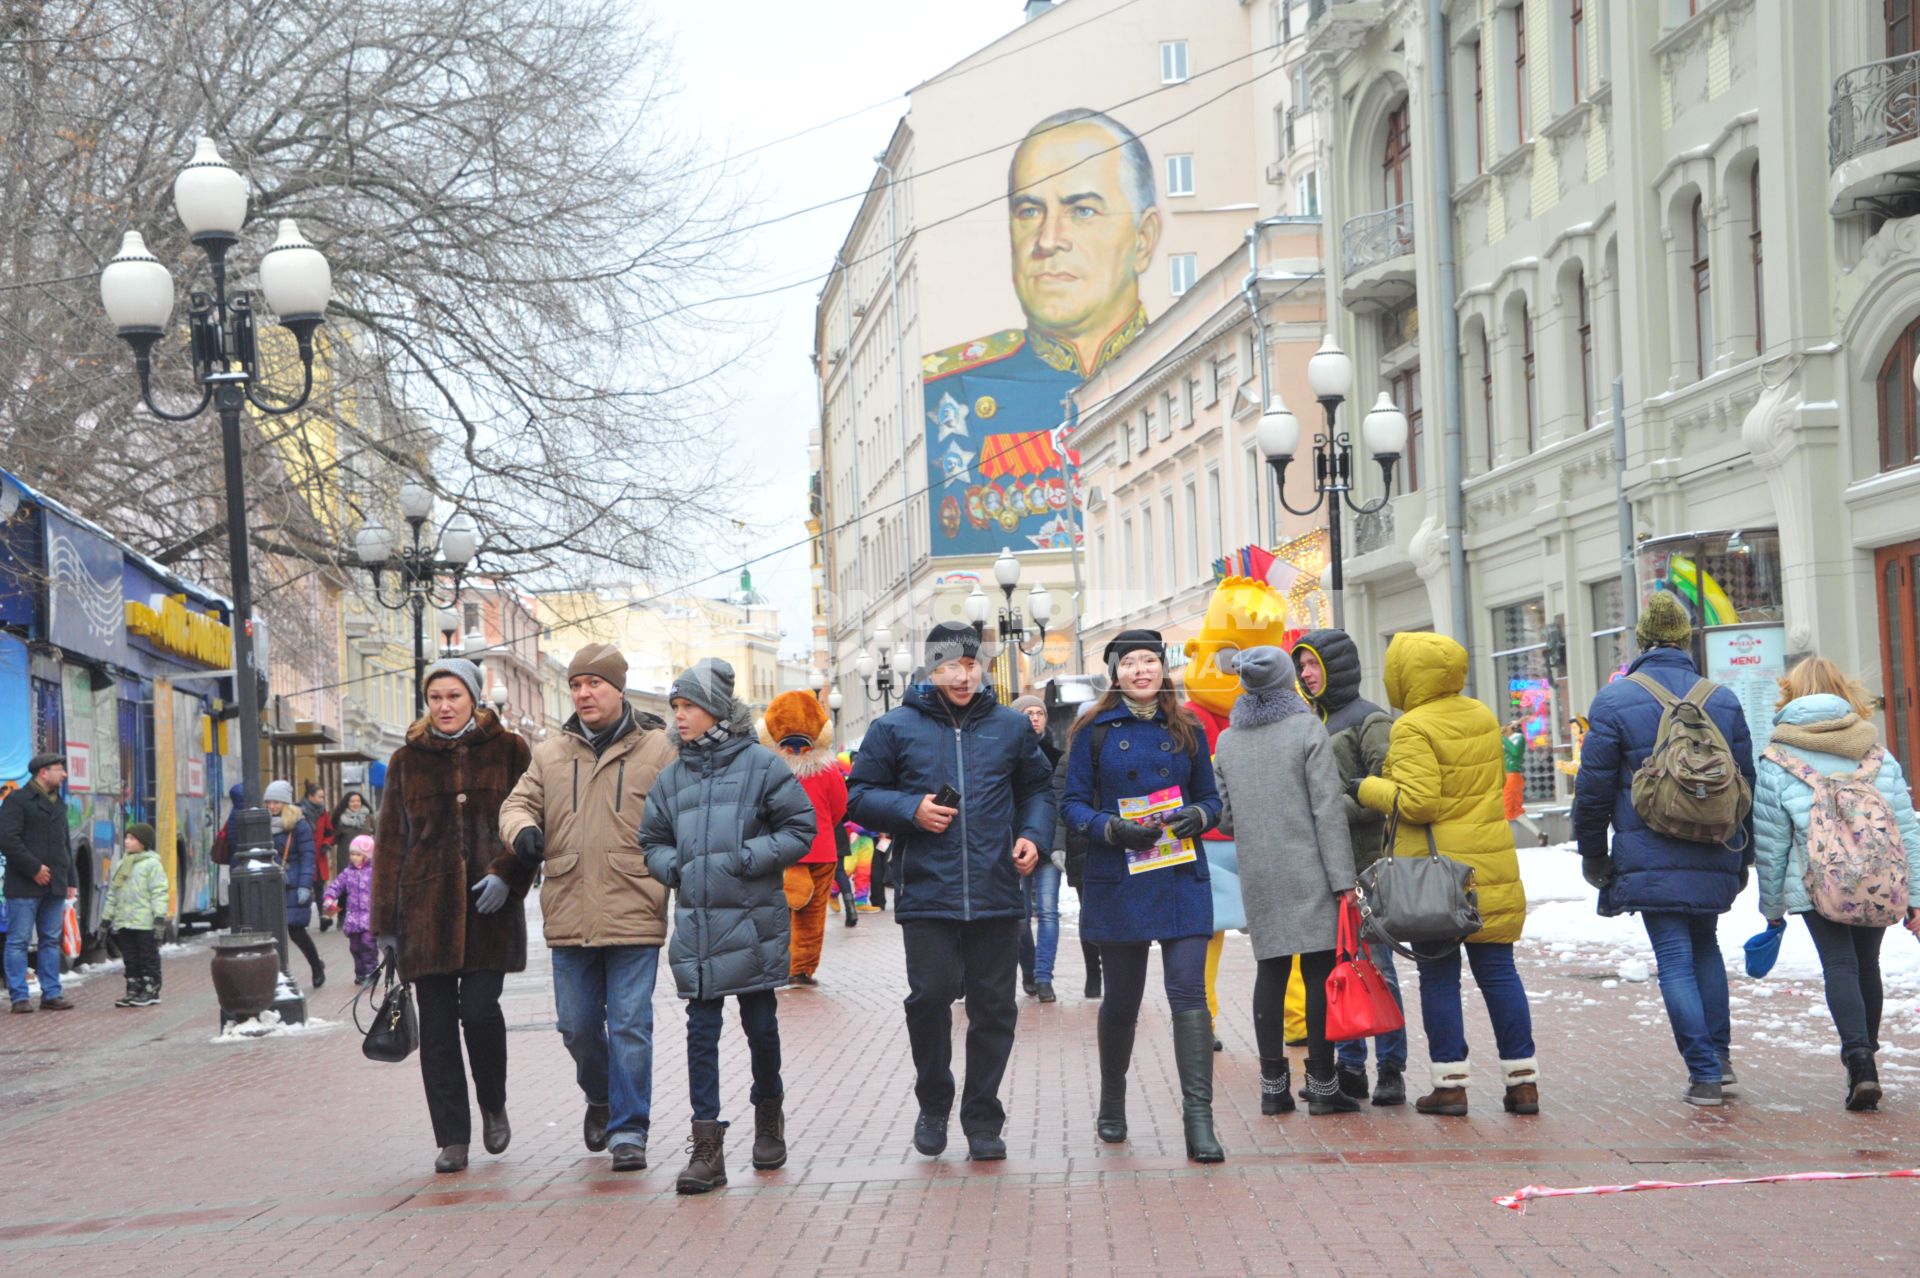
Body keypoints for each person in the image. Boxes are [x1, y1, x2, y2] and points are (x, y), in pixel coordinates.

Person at [847, 622, 1055, 1162]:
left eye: (970, 665)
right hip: (927, 891)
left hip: (995, 888)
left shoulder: (1010, 727)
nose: (962, 676)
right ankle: (934, 1101)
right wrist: (909, 809)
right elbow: (860, 796)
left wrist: (1033, 835)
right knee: (931, 998)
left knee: (994, 1007)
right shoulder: (894, 727)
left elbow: (1037, 789)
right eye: (949, 667)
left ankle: (983, 1117)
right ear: (931, 669)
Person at [924, 108, 1159, 558]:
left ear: (1143, 239)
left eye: (1082, 210)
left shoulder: (1187, 362)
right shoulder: (946, 390)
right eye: (1029, 211)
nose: (1048, 239)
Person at [499, 643, 677, 1173]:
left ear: (618, 689)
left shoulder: (660, 750)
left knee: (629, 1025)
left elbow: (684, 811)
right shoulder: (552, 753)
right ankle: (600, 1096)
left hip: (634, 905)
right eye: (576, 685)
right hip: (569, 906)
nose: (583, 693)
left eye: (594, 684)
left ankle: (629, 1130)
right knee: (575, 1025)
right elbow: (516, 805)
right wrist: (523, 833)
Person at [1574, 591, 1755, 1107]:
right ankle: (1718, 1059)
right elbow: (1748, 782)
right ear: (1684, 640)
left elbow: (1593, 786)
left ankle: (1702, 1074)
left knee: (1674, 955)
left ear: (1643, 640)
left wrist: (1593, 853)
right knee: (1705, 946)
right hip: (1715, 842)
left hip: (1647, 846)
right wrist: (1743, 856)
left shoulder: (1614, 700)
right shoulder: (1721, 698)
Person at [642, 659, 815, 1194]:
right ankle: (707, 1150)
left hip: (753, 922)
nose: (680, 716)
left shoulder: (763, 766)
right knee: (701, 1034)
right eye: (675, 707)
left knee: (761, 1026)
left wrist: (745, 857)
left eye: (688, 705)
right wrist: (676, 867)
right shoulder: (672, 776)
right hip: (697, 926)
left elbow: (800, 827)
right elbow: (652, 840)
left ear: (716, 709)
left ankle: (769, 1116)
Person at [1355, 632, 1536, 1117]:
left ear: (1405, 676)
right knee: (1499, 972)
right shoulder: (1481, 714)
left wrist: (1369, 787)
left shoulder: (1412, 727)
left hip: (1440, 877)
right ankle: (1523, 1084)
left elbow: (1419, 802)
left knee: (1439, 975)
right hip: (1490, 864)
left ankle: (1450, 1085)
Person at [1060, 630, 1225, 1161]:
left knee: (1188, 995)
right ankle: (1113, 1099)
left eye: (1149, 660)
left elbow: (1211, 799)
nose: (1140, 670)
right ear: (1115, 673)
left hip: (1180, 875)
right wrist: (1111, 828)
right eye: (1129, 662)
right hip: (1120, 877)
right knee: (1123, 1000)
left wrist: (1197, 817)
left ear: (1163, 667)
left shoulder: (1189, 725)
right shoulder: (1093, 731)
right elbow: (1071, 805)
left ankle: (1200, 1122)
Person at [371, 658, 533, 1174]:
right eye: (435, 697)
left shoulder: (509, 751)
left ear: (473, 697)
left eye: (453, 696)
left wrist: (509, 875)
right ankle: (452, 1138)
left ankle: (493, 1102)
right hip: (426, 913)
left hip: (489, 912)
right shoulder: (405, 761)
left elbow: (532, 821)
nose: (443, 705)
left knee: (481, 1012)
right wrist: (386, 926)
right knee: (438, 1030)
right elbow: (390, 844)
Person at [1752, 656, 1920, 1111]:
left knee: (1839, 967)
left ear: (1792, 695)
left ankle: (1859, 1060)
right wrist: (1916, 896)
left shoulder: (1776, 758)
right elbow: (1906, 828)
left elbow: (1771, 843)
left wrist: (1771, 908)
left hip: (1814, 883)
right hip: (1878, 879)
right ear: (1845, 693)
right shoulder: (1875, 752)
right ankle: (1868, 1060)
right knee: (1867, 966)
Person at [1213, 646, 1358, 1117]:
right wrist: (1343, 880)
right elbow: (1327, 809)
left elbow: (1227, 818)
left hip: (1259, 869)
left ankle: (1273, 1088)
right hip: (1311, 867)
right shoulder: (1305, 729)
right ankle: (1321, 1083)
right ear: (1285, 682)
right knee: (1317, 971)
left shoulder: (1230, 741)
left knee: (1271, 970)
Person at [1291, 628, 1406, 1107]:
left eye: (1313, 664)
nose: (1306, 674)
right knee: (1340, 966)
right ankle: (1351, 1067)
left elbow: (1387, 792)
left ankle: (1392, 1068)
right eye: (1301, 667)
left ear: (1336, 666)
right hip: (1324, 866)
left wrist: (1329, 807)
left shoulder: (1370, 719)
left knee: (1377, 965)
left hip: (1366, 864)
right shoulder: (1308, 721)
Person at [1181, 575, 1292, 1051]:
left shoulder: (1278, 716)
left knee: (1282, 934)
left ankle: (1296, 1017)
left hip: (1254, 839)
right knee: (1207, 935)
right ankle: (1201, 1019)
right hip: (1212, 841)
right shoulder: (1189, 718)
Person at [759, 690, 847, 987]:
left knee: (776, 910)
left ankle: (776, 964)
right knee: (812, 915)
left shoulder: (767, 768)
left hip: (780, 850)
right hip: (820, 849)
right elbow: (839, 808)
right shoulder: (828, 769)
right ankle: (802, 966)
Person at [1, 753, 76, 1012]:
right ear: (43, 773)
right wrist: (34, 868)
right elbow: (8, 840)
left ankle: (51, 993)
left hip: (54, 884)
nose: (64, 774)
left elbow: (65, 844)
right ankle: (19, 997)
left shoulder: (59, 803)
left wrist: (71, 878)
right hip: (24, 885)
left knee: (50, 940)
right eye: (59, 769)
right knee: (19, 941)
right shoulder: (17, 801)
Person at [1012, 694, 1064, 1003]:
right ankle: (1029, 969)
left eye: (1039, 712)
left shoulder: (1058, 756)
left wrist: (1058, 843)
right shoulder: (1006, 753)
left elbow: (1061, 804)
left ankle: (1044, 978)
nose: (1034, 718)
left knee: (1048, 912)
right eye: (1028, 713)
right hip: (1016, 844)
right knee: (1020, 915)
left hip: (1048, 847)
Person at [263, 779, 325, 990]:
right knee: (272, 932)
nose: (272, 806)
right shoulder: (262, 823)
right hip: (272, 884)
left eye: (276, 802)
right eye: (269, 802)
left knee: (296, 930)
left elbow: (308, 856)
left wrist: (305, 886)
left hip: (294, 882)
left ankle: (316, 966)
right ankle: (278, 975)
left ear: (285, 803)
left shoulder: (298, 823)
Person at [103, 823, 169, 1008]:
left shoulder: (152, 864)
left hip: (144, 922)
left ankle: (151, 989)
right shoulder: (122, 864)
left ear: (143, 843)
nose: (127, 841)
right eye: (126, 837)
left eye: (132, 838)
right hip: (125, 921)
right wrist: (106, 919)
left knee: (147, 956)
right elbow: (113, 893)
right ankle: (133, 988)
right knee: (130, 957)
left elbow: (159, 891)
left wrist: (159, 918)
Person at [324, 834, 379, 984]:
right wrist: (329, 898)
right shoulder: (348, 873)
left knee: (368, 946)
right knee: (355, 947)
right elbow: (336, 886)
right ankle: (360, 973)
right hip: (353, 919)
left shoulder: (374, 873)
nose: (354, 857)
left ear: (366, 856)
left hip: (369, 918)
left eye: (358, 854)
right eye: (352, 854)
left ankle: (371, 972)